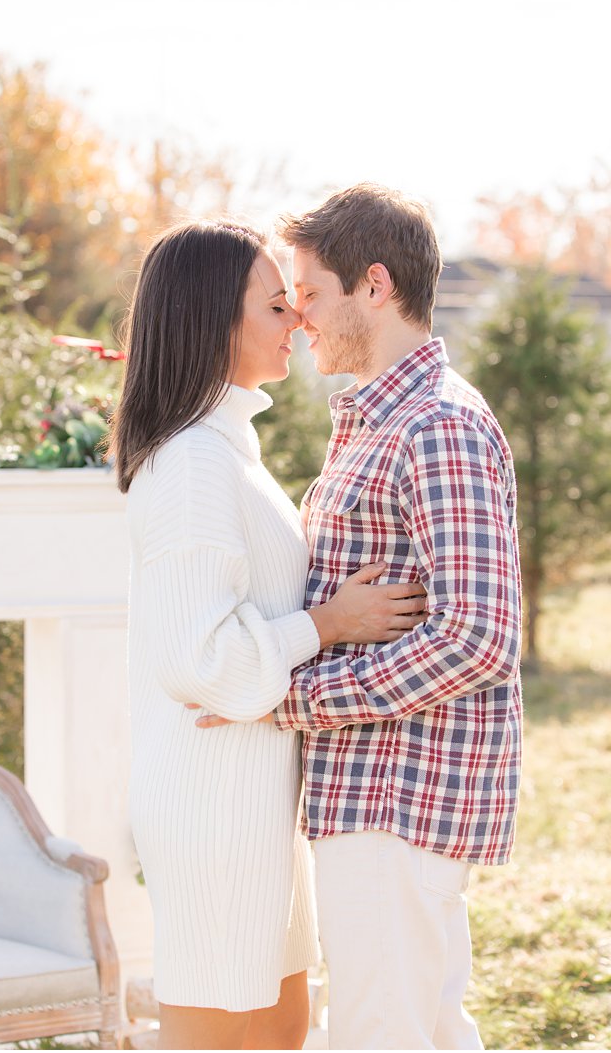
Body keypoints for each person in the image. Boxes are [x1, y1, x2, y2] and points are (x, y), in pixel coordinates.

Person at [197, 185, 523, 1049]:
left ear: (373, 286)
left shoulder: (436, 426)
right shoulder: (379, 420)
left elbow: (479, 635)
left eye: (309, 291)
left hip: (399, 795)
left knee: (384, 1033)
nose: (297, 317)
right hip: (370, 788)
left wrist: (291, 697)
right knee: (423, 1028)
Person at [113, 219, 427, 1050]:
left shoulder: (228, 449)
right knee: (231, 1022)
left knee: (280, 1024)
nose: (298, 320)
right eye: (276, 304)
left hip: (255, 789)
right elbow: (201, 659)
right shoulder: (190, 464)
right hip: (216, 799)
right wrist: (328, 624)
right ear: (214, 317)